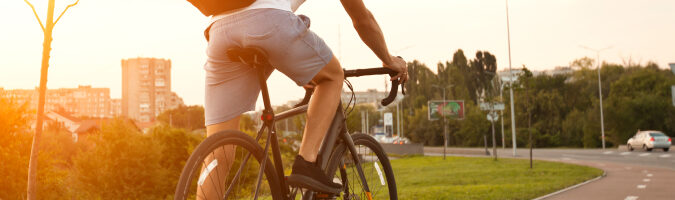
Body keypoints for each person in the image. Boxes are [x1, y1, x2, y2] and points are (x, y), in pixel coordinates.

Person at [199, 0, 408, 197]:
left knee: (218, 154)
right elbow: (363, 20)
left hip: (220, 31)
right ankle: (306, 164)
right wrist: (388, 60)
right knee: (333, 76)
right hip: (269, 22)